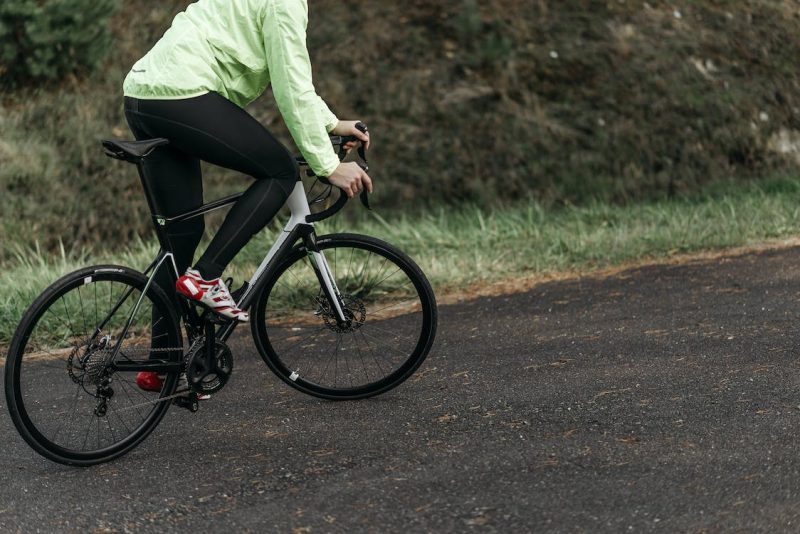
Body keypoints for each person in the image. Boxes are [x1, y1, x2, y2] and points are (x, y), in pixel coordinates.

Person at [122, 0, 372, 392]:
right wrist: (327, 165)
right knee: (280, 170)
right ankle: (206, 278)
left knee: (181, 238)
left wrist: (331, 122)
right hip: (184, 91)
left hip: (144, 94)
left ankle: (161, 362)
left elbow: (290, 79)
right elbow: (291, 86)